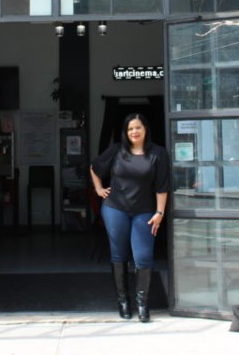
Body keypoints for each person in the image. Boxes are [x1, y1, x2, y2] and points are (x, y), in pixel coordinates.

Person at [90, 113, 169, 322]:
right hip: (115, 209)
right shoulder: (116, 151)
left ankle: (143, 304)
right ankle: (123, 301)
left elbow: (162, 186)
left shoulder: (158, 154)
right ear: (126, 132)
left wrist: (160, 213)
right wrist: (99, 189)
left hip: (144, 212)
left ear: (145, 130)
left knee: (143, 257)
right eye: (130, 129)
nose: (134, 132)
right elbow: (95, 167)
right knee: (119, 255)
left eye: (138, 128)